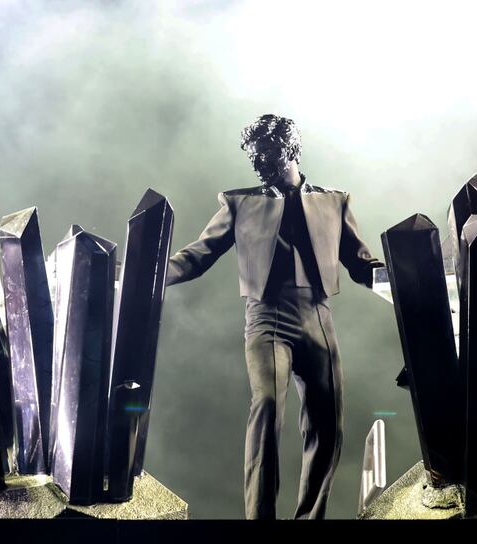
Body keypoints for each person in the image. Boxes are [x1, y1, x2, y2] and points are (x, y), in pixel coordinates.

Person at [166, 114, 384, 519]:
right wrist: (141, 276)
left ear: (291, 150)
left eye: (266, 154)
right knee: (266, 404)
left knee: (328, 425)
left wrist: (411, 280)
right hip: (266, 317)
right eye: (254, 156)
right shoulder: (239, 202)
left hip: (318, 315)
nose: (258, 163)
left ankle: (309, 518)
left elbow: (363, 265)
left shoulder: (334, 201)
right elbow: (196, 256)